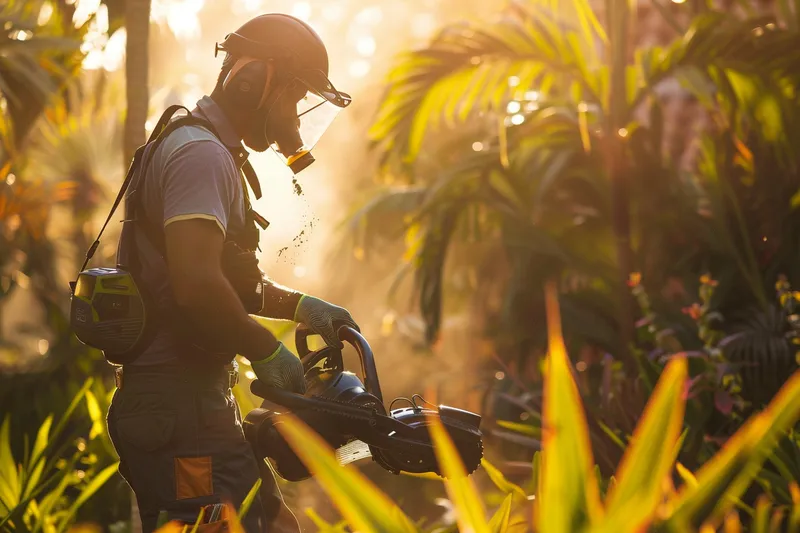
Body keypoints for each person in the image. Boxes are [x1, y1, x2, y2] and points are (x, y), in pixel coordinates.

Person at [105, 13, 358, 533]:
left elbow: (228, 281)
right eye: (293, 97)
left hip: (194, 400)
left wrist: (300, 308)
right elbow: (195, 285)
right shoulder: (201, 155)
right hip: (179, 408)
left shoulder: (208, 149)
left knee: (273, 523)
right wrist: (266, 349)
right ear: (253, 81)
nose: (294, 118)